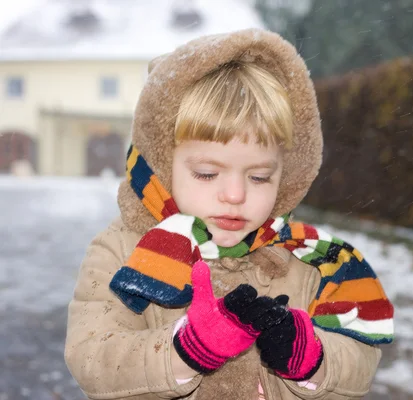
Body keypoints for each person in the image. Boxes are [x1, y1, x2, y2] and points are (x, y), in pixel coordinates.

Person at [64, 28, 394, 400]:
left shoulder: (312, 261)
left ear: (286, 174)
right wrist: (184, 351)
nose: (235, 195)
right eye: (207, 173)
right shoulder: (122, 252)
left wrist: (310, 357)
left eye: (259, 176)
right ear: (161, 166)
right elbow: (92, 357)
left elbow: (359, 364)